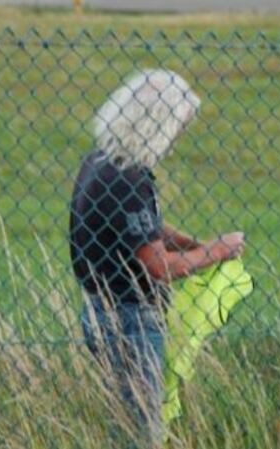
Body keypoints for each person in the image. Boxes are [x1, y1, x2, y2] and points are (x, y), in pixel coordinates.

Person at [69, 69, 244, 448]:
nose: (177, 137)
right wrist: (218, 250)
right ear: (157, 125)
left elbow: (146, 230)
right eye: (177, 127)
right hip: (129, 316)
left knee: (125, 423)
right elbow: (158, 266)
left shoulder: (100, 161)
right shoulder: (131, 180)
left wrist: (194, 244)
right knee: (143, 431)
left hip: (100, 307)